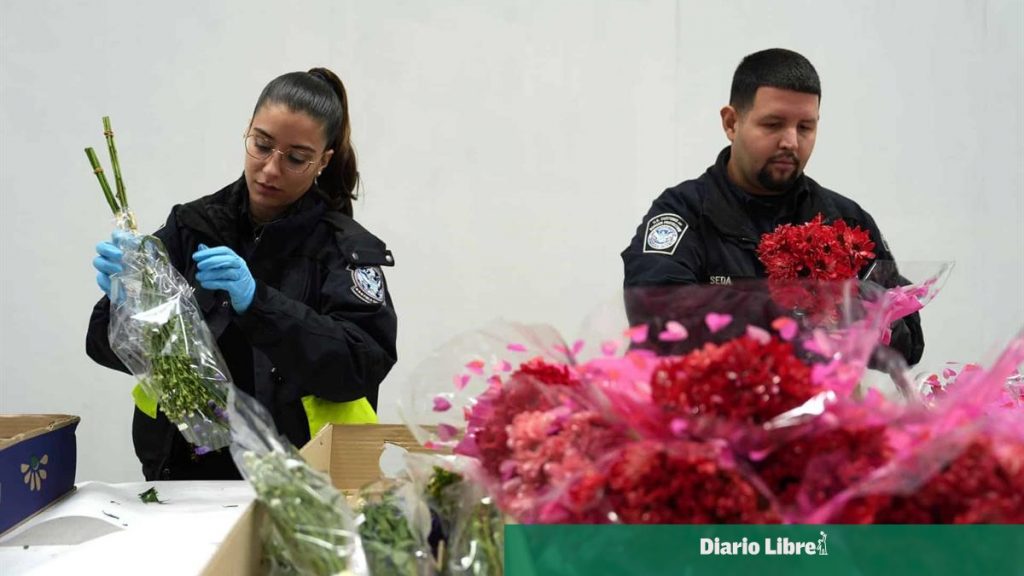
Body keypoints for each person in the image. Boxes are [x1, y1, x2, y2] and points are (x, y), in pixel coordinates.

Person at [86, 68, 398, 480]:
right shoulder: (191, 226)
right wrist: (126, 303)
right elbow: (106, 348)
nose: (270, 169)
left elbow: (359, 366)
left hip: (305, 482)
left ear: (322, 161)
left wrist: (260, 303)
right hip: (184, 477)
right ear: (247, 131)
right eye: (262, 145)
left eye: (296, 158)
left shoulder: (343, 250)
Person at [621, 48, 923, 365]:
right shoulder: (684, 212)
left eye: (805, 127)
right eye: (773, 124)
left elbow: (910, 342)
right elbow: (656, 318)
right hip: (710, 409)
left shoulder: (846, 221)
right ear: (731, 123)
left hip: (820, 410)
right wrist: (796, 313)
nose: (790, 141)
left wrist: (856, 312)